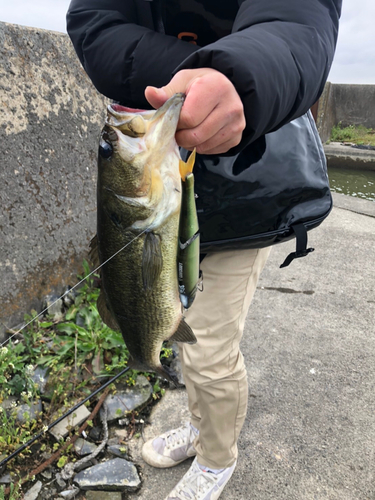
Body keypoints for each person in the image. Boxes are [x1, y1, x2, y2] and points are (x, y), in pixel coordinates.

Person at [66, 1, 342, 498]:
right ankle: (201, 427)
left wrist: (238, 75)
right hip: (167, 199)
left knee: (210, 351)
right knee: (185, 348)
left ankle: (218, 458)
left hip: (248, 190)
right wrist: (187, 70)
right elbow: (93, 20)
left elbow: (299, 20)